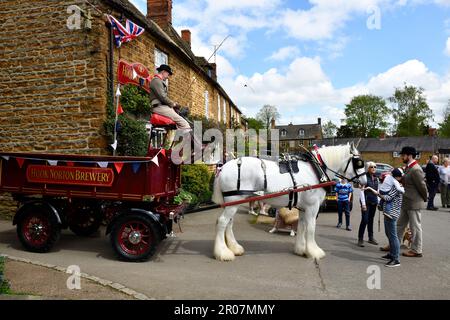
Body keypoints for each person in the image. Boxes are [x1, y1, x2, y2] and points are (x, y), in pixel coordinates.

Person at [384, 146, 427, 258]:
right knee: (399, 225)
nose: (402, 157)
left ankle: (417, 250)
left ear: (409, 155)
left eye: (403, 155)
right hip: (406, 202)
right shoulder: (408, 167)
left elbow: (422, 186)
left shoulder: (416, 169)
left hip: (413, 203)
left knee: (415, 227)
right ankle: (394, 245)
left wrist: (424, 198)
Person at [377, 168, 405, 267]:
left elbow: (388, 198)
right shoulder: (393, 184)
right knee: (388, 234)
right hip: (387, 213)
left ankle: (396, 259)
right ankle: (391, 254)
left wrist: (378, 194)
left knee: (393, 236)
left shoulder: (396, 187)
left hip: (392, 214)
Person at [149, 64, 191, 130]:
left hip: (163, 107)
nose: (168, 76)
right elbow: (162, 97)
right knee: (184, 124)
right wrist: (173, 104)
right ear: (163, 72)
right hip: (160, 107)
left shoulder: (159, 81)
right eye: (168, 74)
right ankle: (183, 140)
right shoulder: (156, 81)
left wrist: (173, 104)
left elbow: (163, 97)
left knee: (180, 122)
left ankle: (175, 139)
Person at [357, 161, 379, 247]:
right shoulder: (364, 178)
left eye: (375, 167)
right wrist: (363, 204)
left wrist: (378, 201)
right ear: (367, 168)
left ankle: (371, 237)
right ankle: (360, 238)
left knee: (371, 220)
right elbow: (362, 192)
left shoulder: (376, 178)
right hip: (365, 202)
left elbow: (378, 191)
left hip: (374, 201)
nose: (374, 168)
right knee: (365, 220)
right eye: (371, 167)